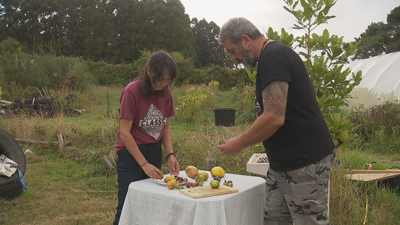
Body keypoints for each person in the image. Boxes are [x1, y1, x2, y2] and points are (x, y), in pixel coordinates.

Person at [217, 17, 336, 225]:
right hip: (282, 164)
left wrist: (238, 143)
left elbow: (273, 117)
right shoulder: (268, 60)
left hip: (305, 163)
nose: (233, 58)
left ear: (246, 40)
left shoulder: (274, 57)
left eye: (232, 51)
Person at [113, 50, 180, 225]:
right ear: (149, 71)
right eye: (161, 79)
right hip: (131, 155)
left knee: (150, 205)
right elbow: (124, 132)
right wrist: (143, 164)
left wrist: (170, 154)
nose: (164, 83)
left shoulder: (166, 92)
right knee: (127, 206)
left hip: (155, 152)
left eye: (168, 80)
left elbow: (165, 127)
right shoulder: (132, 91)